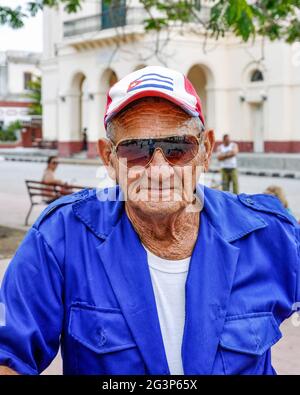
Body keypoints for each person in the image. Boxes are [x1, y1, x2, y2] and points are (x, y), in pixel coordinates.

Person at [0, 66, 299, 375]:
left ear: (206, 150)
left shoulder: (268, 233)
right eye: (135, 150)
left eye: (178, 148)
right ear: (109, 159)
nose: (159, 170)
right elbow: (8, 356)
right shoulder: (60, 236)